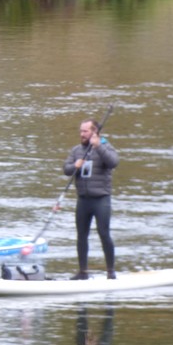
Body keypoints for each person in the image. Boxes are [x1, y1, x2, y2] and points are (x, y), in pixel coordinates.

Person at [64, 118, 119, 280]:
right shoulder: (76, 151)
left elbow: (113, 162)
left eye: (85, 131)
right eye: (81, 131)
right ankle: (83, 272)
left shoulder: (106, 147)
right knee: (81, 235)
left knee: (104, 233)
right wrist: (75, 166)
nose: (81, 134)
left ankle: (110, 270)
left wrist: (98, 147)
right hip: (83, 200)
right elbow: (65, 169)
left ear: (94, 132)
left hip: (101, 199)